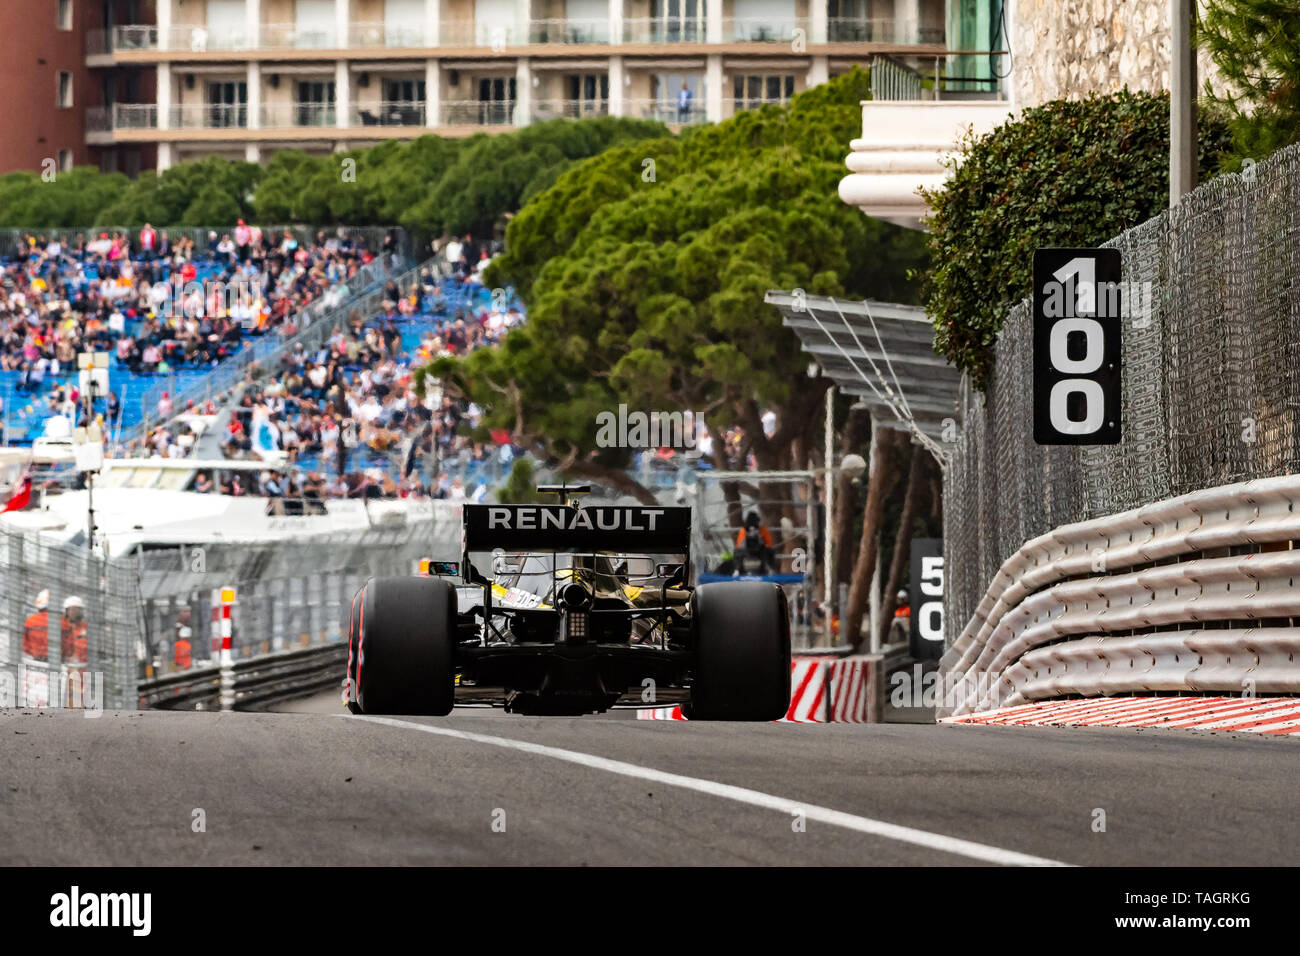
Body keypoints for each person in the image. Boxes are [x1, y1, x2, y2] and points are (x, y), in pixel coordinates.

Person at [22, 590, 50, 661]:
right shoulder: (62, 621)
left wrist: (35, 652)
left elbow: (25, 644)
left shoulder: (30, 620)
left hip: (37, 659)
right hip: (58, 660)